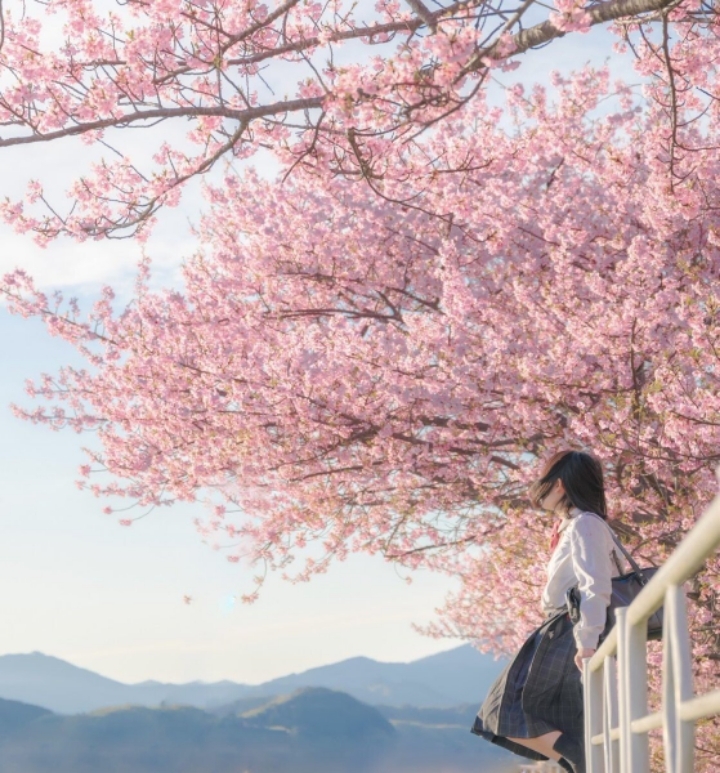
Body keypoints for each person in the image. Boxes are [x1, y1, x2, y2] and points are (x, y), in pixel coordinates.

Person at [471, 450, 624, 773]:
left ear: (559, 485)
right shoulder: (575, 525)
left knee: (505, 709)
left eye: (543, 481)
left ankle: (581, 759)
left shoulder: (585, 524)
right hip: (562, 626)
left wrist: (587, 641)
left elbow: (595, 585)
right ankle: (581, 762)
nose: (537, 489)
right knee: (535, 714)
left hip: (571, 628)